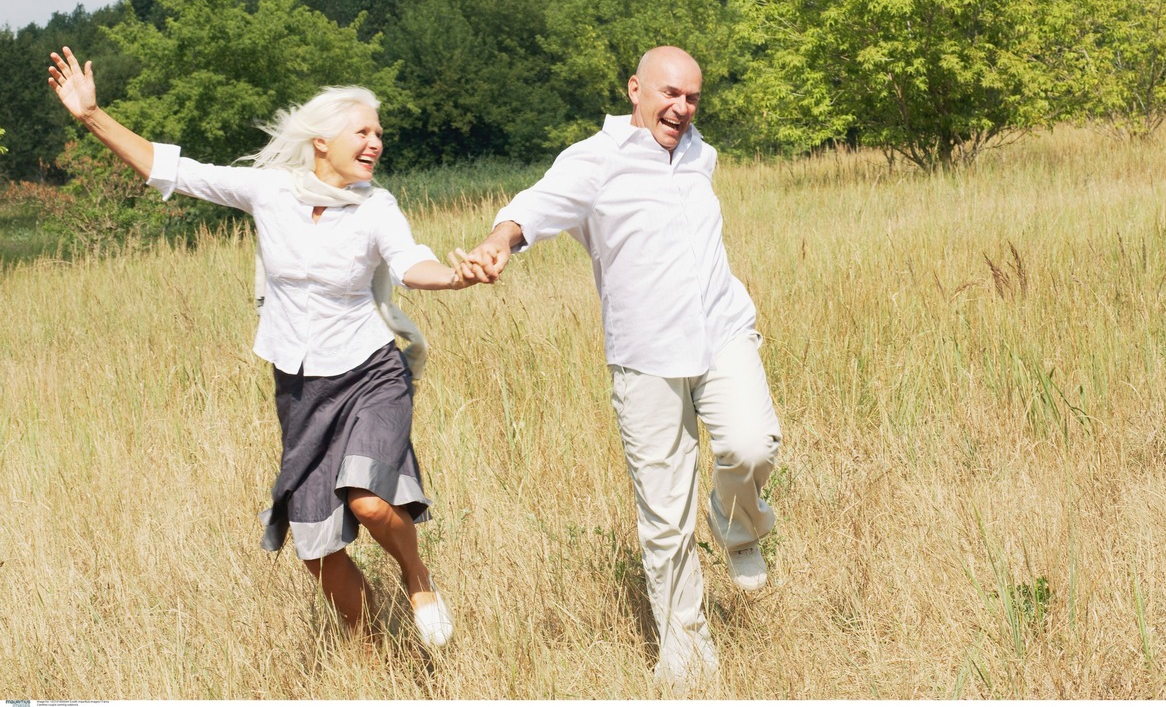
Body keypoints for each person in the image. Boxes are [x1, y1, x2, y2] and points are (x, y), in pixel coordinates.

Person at [48, 46, 478, 650]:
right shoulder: (270, 190)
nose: (376, 142)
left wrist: (456, 276)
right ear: (322, 141)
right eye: (363, 131)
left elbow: (411, 265)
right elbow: (172, 169)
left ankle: (419, 578)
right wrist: (92, 117)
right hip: (301, 385)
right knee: (316, 547)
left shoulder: (378, 206)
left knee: (371, 502)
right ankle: (369, 649)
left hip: (371, 372)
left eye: (380, 133)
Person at [459, 46, 782, 684]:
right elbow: (536, 205)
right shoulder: (595, 160)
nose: (681, 108)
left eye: (692, 97)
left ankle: (738, 524)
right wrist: (498, 244)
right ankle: (686, 652)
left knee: (752, 445)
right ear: (635, 90)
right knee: (665, 514)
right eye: (668, 93)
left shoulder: (699, 154)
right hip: (645, 356)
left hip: (720, 332)